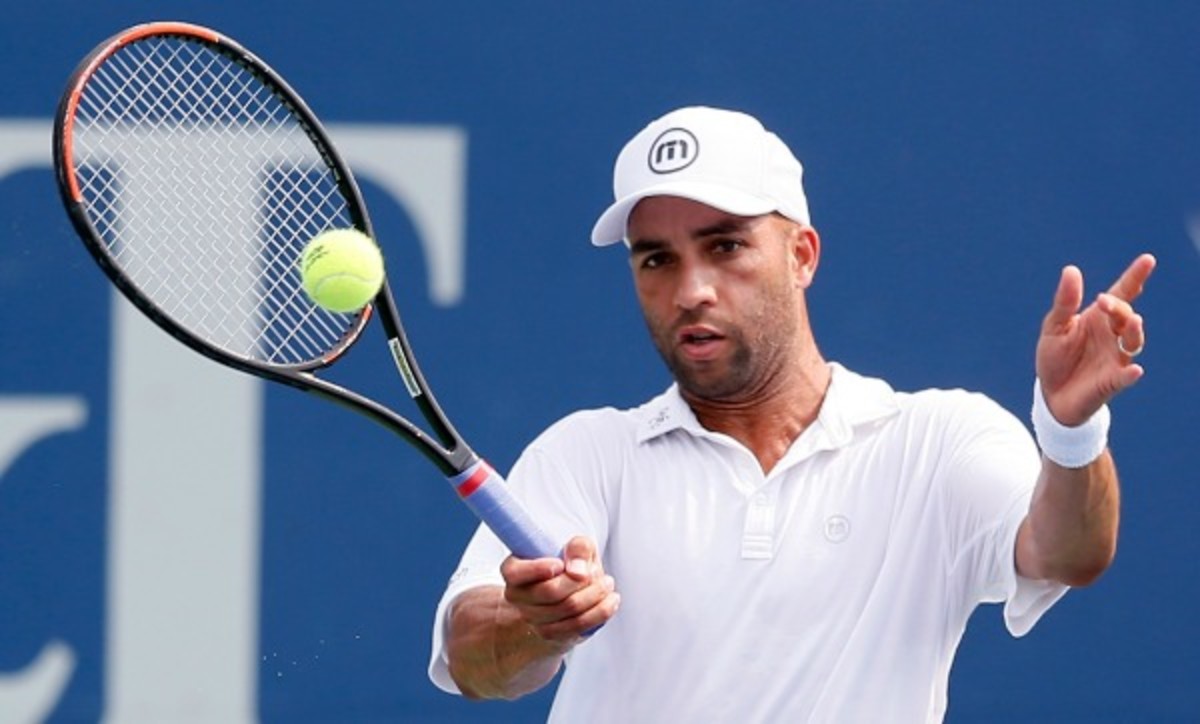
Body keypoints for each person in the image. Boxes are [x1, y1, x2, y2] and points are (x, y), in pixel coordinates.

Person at [426, 106, 1155, 722]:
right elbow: (475, 664)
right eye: (657, 260)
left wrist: (1069, 432)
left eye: (725, 246)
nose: (692, 290)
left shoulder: (938, 442)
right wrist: (536, 624)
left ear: (802, 255)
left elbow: (1070, 555)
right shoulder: (588, 453)